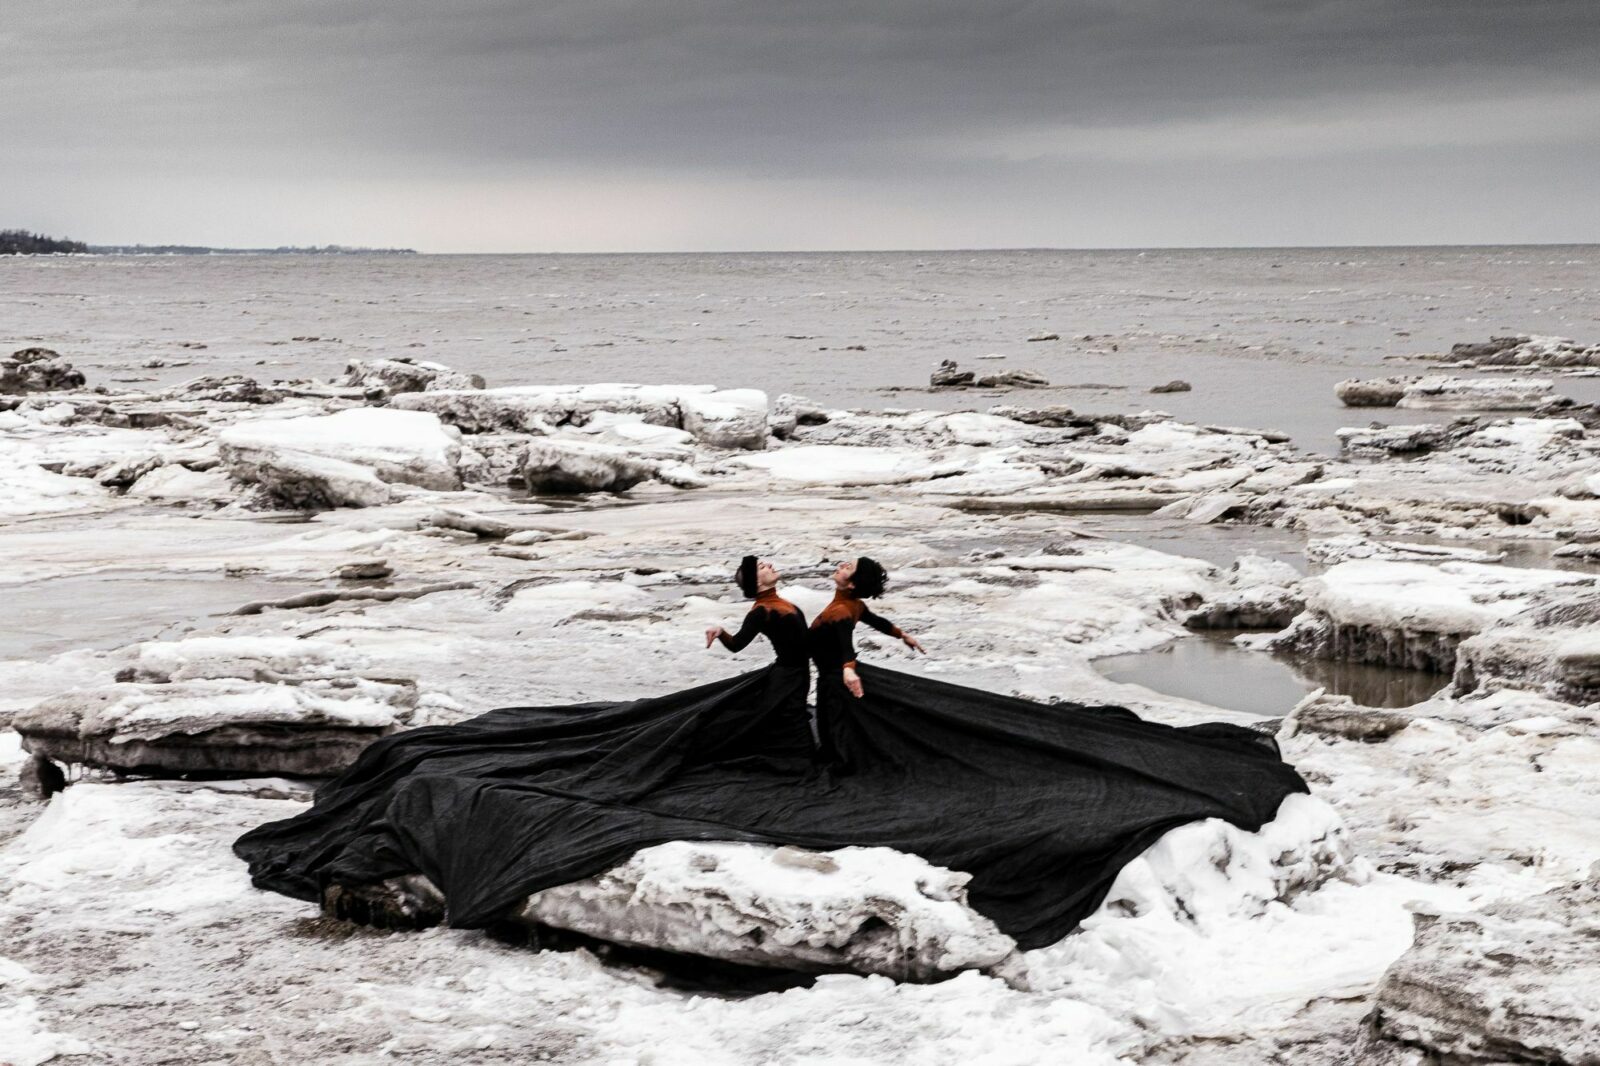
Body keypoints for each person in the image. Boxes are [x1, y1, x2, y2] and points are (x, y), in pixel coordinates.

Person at [235, 553, 1311, 953]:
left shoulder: (820, 607)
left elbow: (830, 641)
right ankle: (830, 758)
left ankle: (835, 762)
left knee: (837, 745)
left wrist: (862, 659)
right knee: (791, 739)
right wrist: (742, 641)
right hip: (798, 689)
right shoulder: (796, 607)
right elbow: (782, 643)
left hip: (820, 690)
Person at [807, 556, 923, 768]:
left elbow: (845, 645)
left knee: (833, 729)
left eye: (847, 567)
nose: (841, 565)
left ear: (851, 584)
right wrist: (902, 635)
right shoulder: (854, 605)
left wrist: (849, 670)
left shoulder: (841, 610)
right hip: (834, 672)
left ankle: (844, 760)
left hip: (834, 677)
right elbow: (877, 622)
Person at [703, 555, 814, 759]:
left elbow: (804, 641)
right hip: (787, 677)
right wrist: (720, 632)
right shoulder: (760, 611)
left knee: (789, 719)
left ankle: (800, 759)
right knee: (790, 719)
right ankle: (800, 762)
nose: (770, 564)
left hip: (797, 674)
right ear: (756, 582)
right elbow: (737, 645)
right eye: (762, 566)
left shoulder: (784, 603)